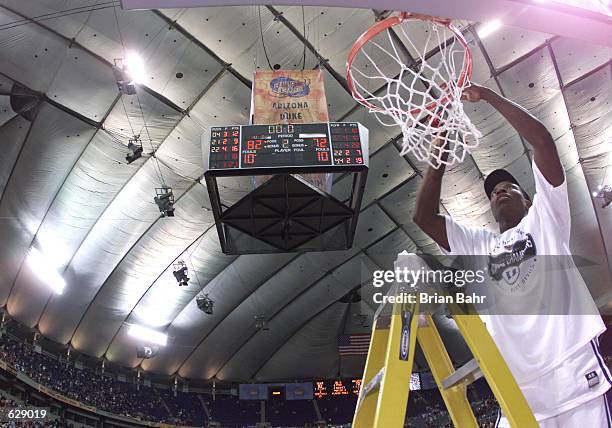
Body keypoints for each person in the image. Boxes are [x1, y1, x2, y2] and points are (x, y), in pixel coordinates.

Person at [412, 82, 611, 426]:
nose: (499, 191)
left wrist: (488, 96)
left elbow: (543, 142)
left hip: (573, 375)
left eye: (509, 187)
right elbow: (424, 217)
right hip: (518, 390)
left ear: (529, 199)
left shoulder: (545, 218)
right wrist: (440, 148)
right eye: (493, 192)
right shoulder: (480, 245)